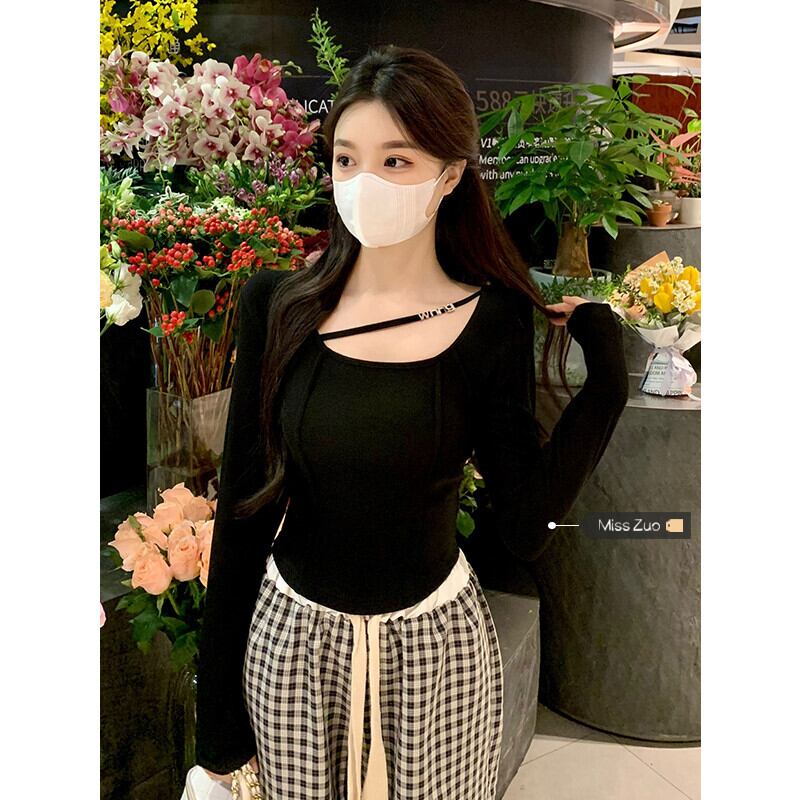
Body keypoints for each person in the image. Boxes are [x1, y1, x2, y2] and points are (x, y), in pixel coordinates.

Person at [194, 45, 629, 800]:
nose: (365, 183)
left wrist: (607, 377)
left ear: (450, 175)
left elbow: (525, 524)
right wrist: (216, 728)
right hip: (292, 651)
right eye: (347, 159)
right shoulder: (279, 305)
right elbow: (242, 516)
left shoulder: (491, 320)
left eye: (396, 161)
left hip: (438, 655)